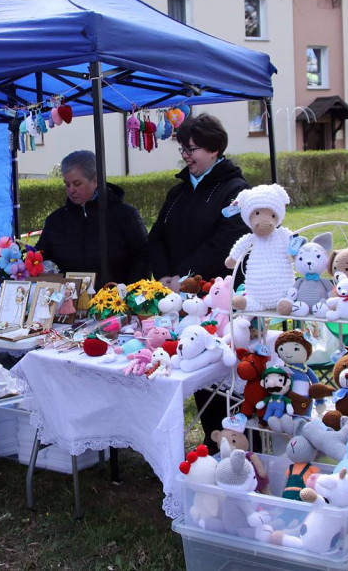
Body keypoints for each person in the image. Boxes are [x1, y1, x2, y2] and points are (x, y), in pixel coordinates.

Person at [147, 113, 250, 452]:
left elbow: (228, 241)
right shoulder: (177, 192)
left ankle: (237, 443)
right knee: (192, 364)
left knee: (223, 372)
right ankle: (211, 440)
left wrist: (187, 276)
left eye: (192, 149)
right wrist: (164, 275)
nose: (186, 155)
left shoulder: (235, 190)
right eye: (183, 149)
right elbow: (157, 235)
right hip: (179, 295)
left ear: (214, 148)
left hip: (218, 297)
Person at [34, 150, 149, 286]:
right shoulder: (55, 221)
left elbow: (144, 255)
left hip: (115, 302)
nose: (71, 190)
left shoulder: (125, 215)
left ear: (95, 181)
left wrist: (131, 293)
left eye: (77, 184)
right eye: (67, 184)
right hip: (69, 302)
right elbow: (40, 255)